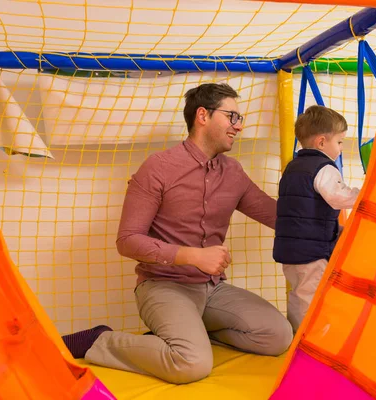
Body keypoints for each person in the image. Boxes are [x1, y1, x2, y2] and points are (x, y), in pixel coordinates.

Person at [62, 83, 293, 384]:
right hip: (163, 286)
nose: (239, 126)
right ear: (203, 116)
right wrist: (193, 256)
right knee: (191, 364)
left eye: (240, 118)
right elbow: (127, 240)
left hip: (212, 290)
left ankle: (193, 333)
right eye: (232, 116)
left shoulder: (233, 172)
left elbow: (276, 216)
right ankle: (98, 340)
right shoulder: (158, 168)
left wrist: (335, 221)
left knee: (279, 336)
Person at [273, 105, 360, 332]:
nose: (341, 149)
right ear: (322, 142)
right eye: (339, 142)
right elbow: (337, 198)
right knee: (312, 297)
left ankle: (297, 335)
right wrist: (364, 194)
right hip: (310, 252)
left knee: (299, 294)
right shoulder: (324, 168)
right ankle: (311, 340)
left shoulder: (293, 167)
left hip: (290, 249)